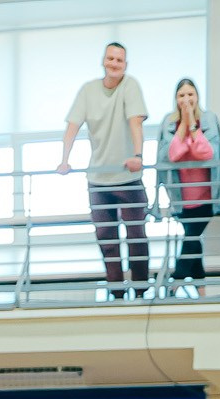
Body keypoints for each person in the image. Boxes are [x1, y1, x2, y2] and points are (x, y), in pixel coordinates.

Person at [61, 42, 150, 300]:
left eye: (119, 60)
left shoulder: (130, 85)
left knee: (136, 237)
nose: (114, 63)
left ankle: (141, 291)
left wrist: (138, 155)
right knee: (107, 239)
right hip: (98, 179)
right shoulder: (88, 91)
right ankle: (117, 293)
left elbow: (135, 122)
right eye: (110, 58)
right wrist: (64, 160)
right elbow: (72, 126)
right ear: (103, 61)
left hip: (128, 178)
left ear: (125, 65)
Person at [156, 79, 220, 287]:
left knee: (191, 239)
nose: (186, 99)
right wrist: (183, 124)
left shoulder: (209, 119)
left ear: (197, 96)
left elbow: (207, 153)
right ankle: (201, 293)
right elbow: (172, 154)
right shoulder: (169, 123)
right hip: (181, 200)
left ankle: (174, 284)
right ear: (175, 99)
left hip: (206, 199)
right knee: (193, 244)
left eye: (190, 94)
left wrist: (193, 126)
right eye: (182, 95)